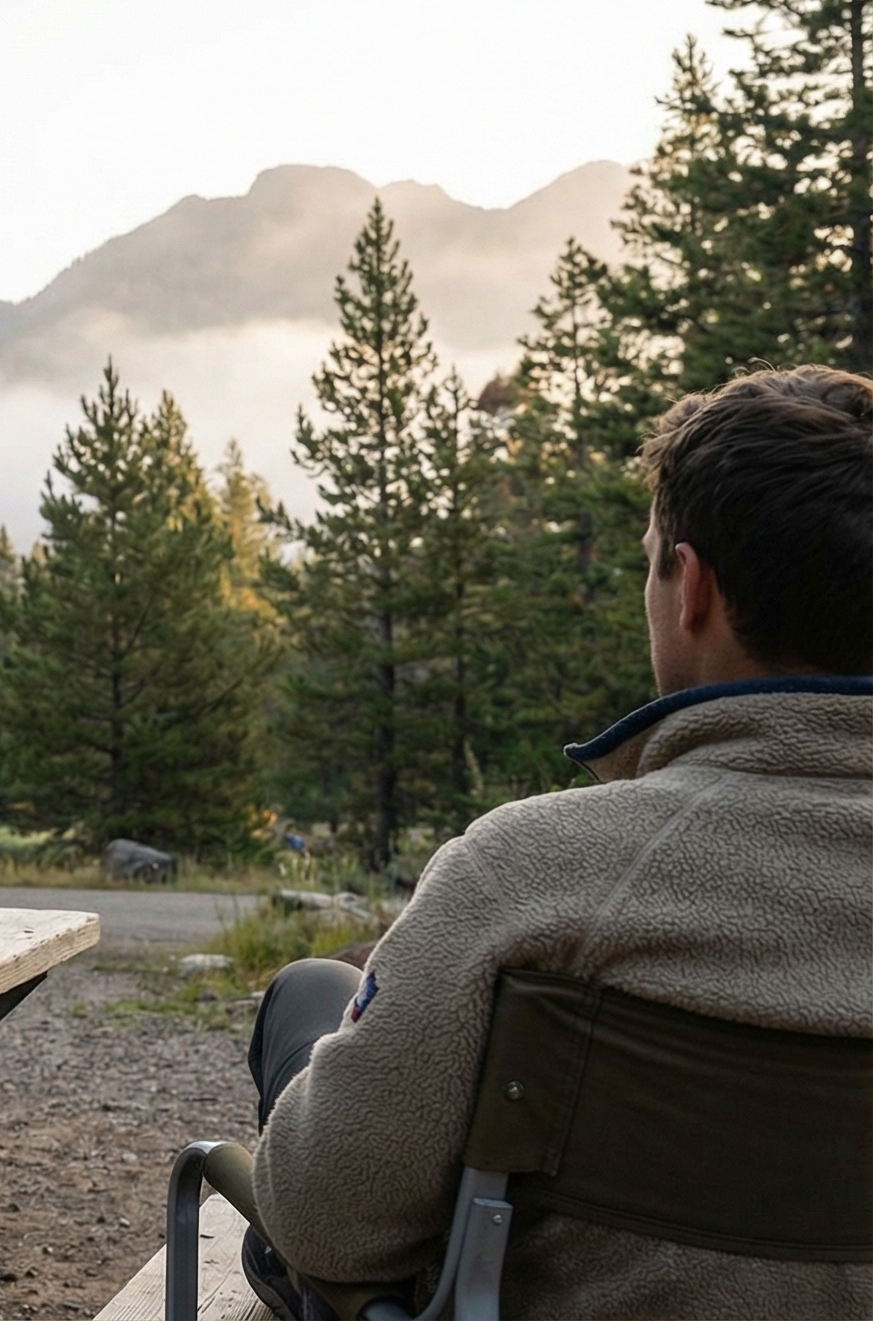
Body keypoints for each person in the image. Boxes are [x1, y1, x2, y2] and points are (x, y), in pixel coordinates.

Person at [242, 366, 873, 1318]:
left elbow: (327, 1221)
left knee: (310, 992)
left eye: (651, 558)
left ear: (690, 588)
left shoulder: (524, 873)